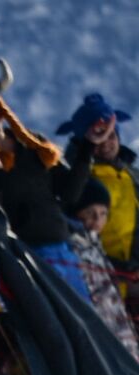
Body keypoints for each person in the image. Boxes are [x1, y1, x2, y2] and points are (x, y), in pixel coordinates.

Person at [0, 62, 95, 303]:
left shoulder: (32, 143)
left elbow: (69, 194)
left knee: (86, 326)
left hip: (63, 249)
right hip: (24, 260)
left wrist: (87, 147)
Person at [57, 94, 139, 285]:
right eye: (97, 137)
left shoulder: (131, 175)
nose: (106, 143)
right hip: (100, 275)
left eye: (110, 135)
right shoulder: (76, 178)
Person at [65, 179, 139, 359]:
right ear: (76, 214)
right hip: (101, 337)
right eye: (90, 213)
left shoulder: (93, 242)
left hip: (118, 327)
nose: (98, 220)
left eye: (103, 213)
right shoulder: (74, 247)